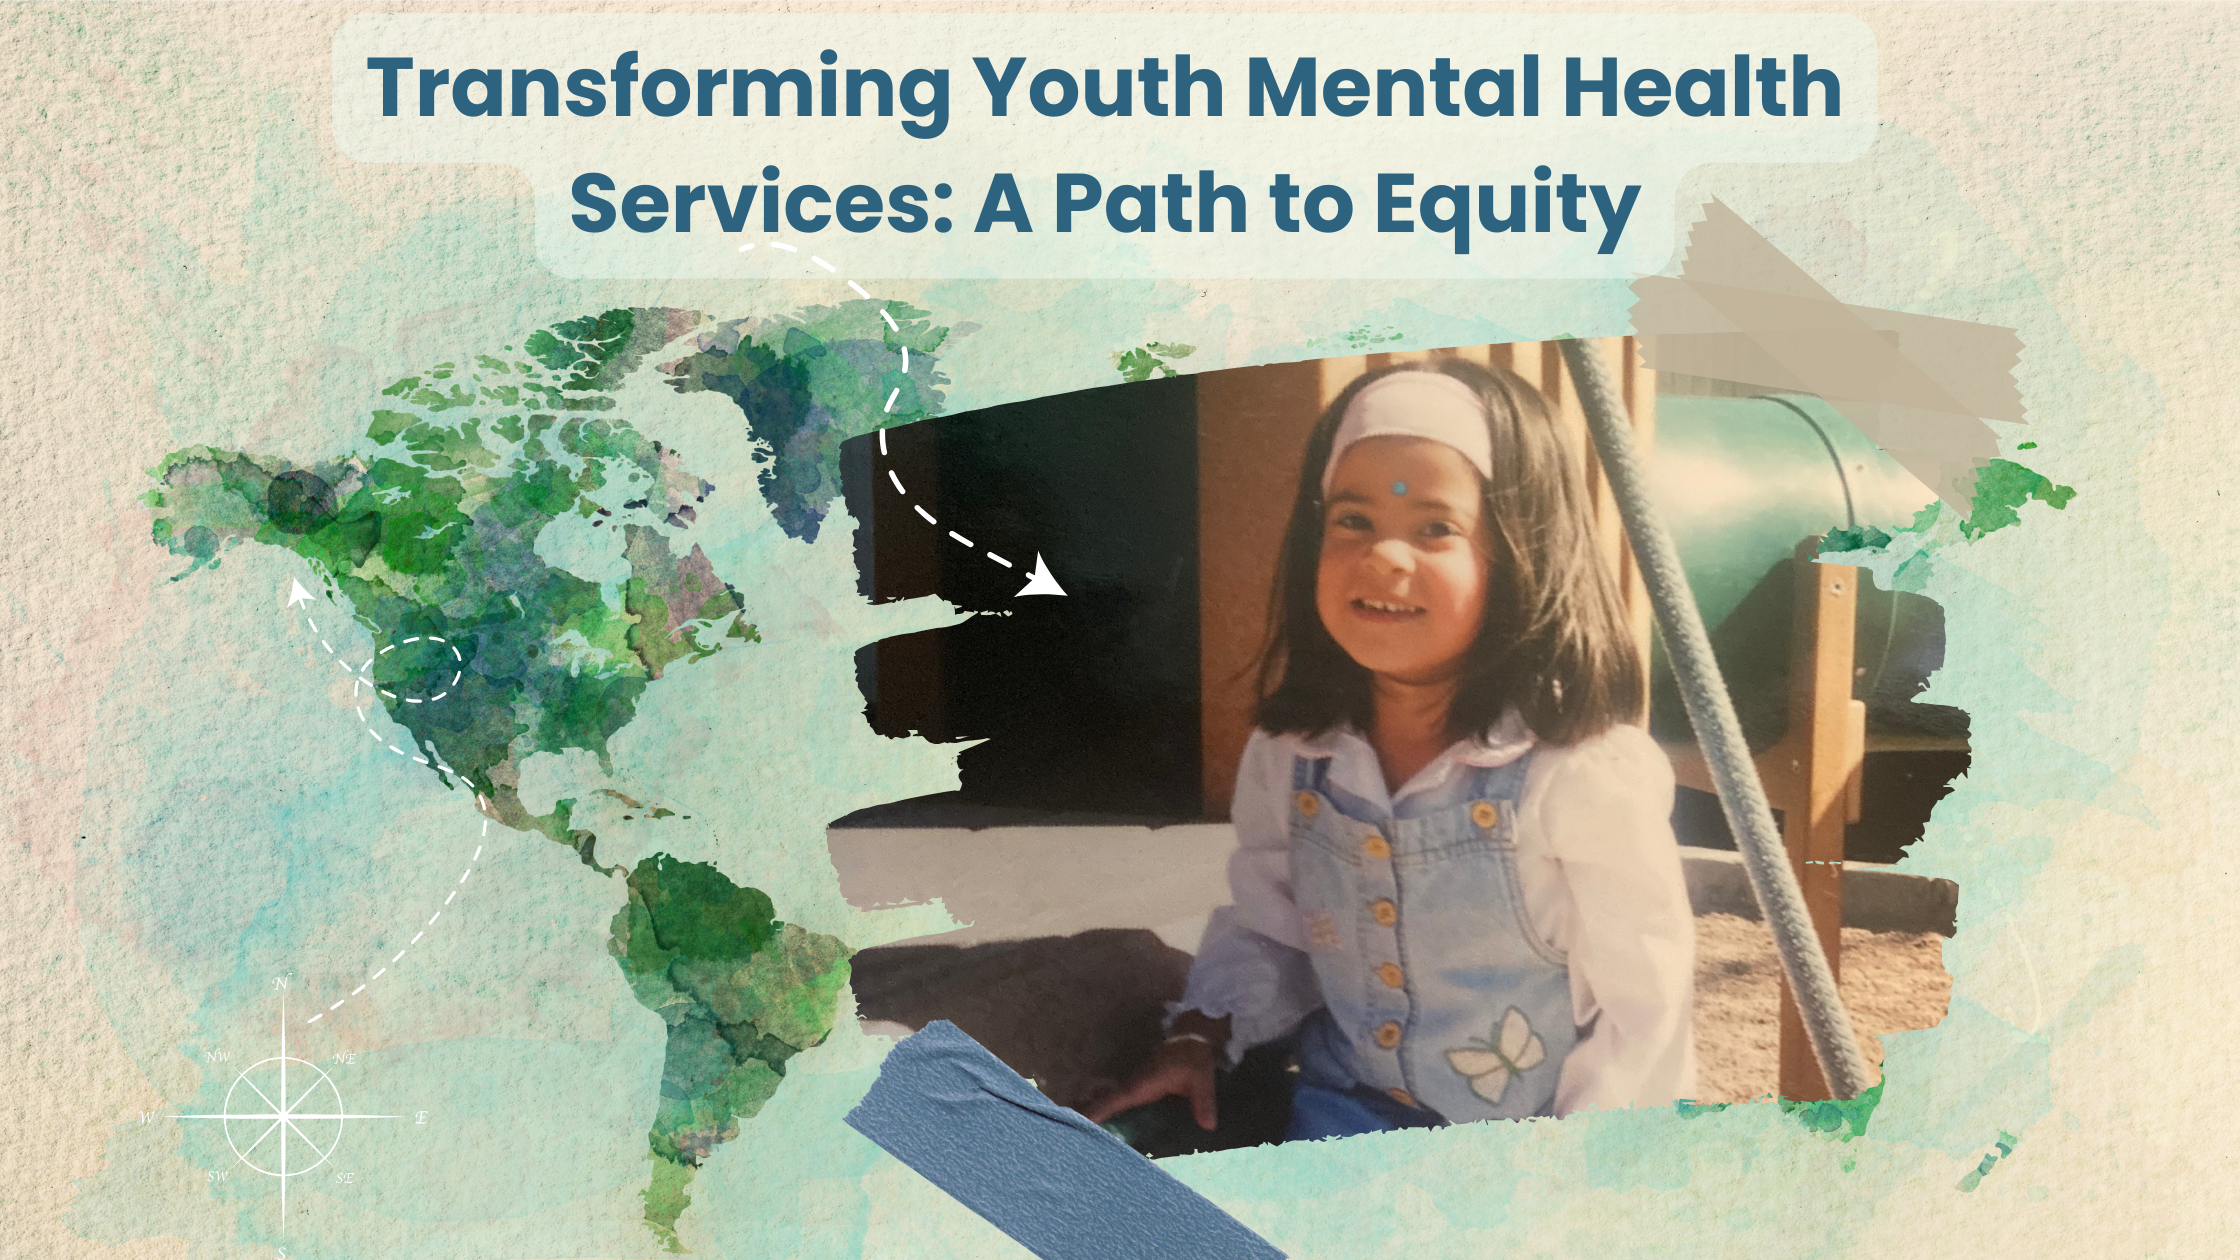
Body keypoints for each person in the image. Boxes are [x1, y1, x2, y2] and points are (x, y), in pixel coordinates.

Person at [1085, 359, 1696, 1142]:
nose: (1384, 558)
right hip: (1337, 1124)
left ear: (1516, 554)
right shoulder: (1298, 755)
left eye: (1435, 528)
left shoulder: (1576, 774)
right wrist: (1202, 1032)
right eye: (1354, 520)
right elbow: (1274, 929)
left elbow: (1642, 1011)